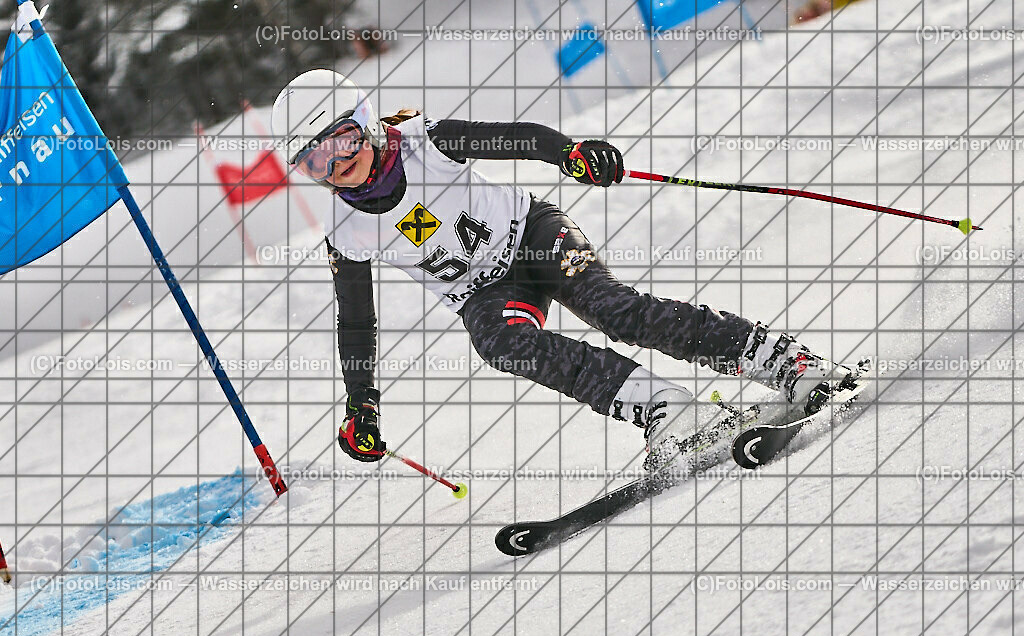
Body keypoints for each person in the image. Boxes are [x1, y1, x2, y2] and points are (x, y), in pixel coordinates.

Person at [270, 69, 856, 465]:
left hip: (533, 236)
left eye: (342, 140)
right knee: (503, 343)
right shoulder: (348, 235)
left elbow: (517, 138)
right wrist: (361, 401)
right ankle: (666, 410)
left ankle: (783, 360)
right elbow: (356, 323)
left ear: (367, 124)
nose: (336, 164)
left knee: (615, 311)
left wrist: (571, 154)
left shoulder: (426, 142)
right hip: (484, 290)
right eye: (314, 160)